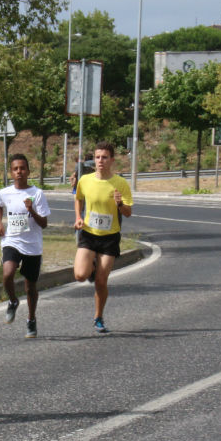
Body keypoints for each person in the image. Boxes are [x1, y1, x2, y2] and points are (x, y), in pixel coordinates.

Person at [70, 141, 133, 334]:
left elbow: (128, 212)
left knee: (101, 281)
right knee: (80, 275)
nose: (100, 161)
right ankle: (93, 265)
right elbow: (78, 199)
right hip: (89, 234)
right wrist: (79, 218)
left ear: (112, 160)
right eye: (97, 157)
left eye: (105, 157)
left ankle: (98, 317)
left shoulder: (120, 183)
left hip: (110, 237)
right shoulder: (85, 180)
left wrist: (120, 203)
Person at [0, 154, 50, 338]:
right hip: (12, 240)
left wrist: (31, 210)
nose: (19, 172)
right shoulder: (5, 193)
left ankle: (31, 319)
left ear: (28, 171)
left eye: (22, 168)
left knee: (30, 287)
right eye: (16, 169)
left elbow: (44, 224)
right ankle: (12, 301)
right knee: (7, 274)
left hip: (32, 246)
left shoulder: (37, 194)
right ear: (11, 172)